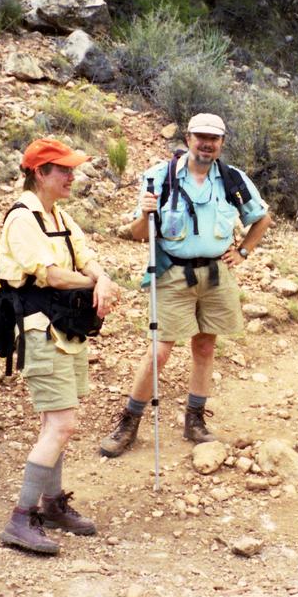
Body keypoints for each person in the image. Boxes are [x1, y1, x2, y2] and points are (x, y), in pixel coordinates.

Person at [100, 112, 272, 457]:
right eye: (200, 137)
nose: (207, 144)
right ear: (188, 138)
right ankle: (129, 422)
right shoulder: (160, 177)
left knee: (205, 346)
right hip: (172, 274)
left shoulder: (231, 178)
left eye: (214, 138)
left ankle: (195, 420)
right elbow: (137, 235)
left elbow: (262, 218)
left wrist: (243, 251)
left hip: (216, 273)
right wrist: (146, 214)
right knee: (159, 351)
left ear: (221, 143)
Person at [0, 137, 122, 555]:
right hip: (39, 330)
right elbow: (50, 275)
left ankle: (50, 505)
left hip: (64, 331)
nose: (72, 176)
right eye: (63, 169)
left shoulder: (60, 215)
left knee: (57, 423)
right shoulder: (22, 219)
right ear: (40, 173)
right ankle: (21, 517)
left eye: (72, 168)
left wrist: (100, 276)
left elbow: (86, 257)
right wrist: (97, 282)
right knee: (61, 425)